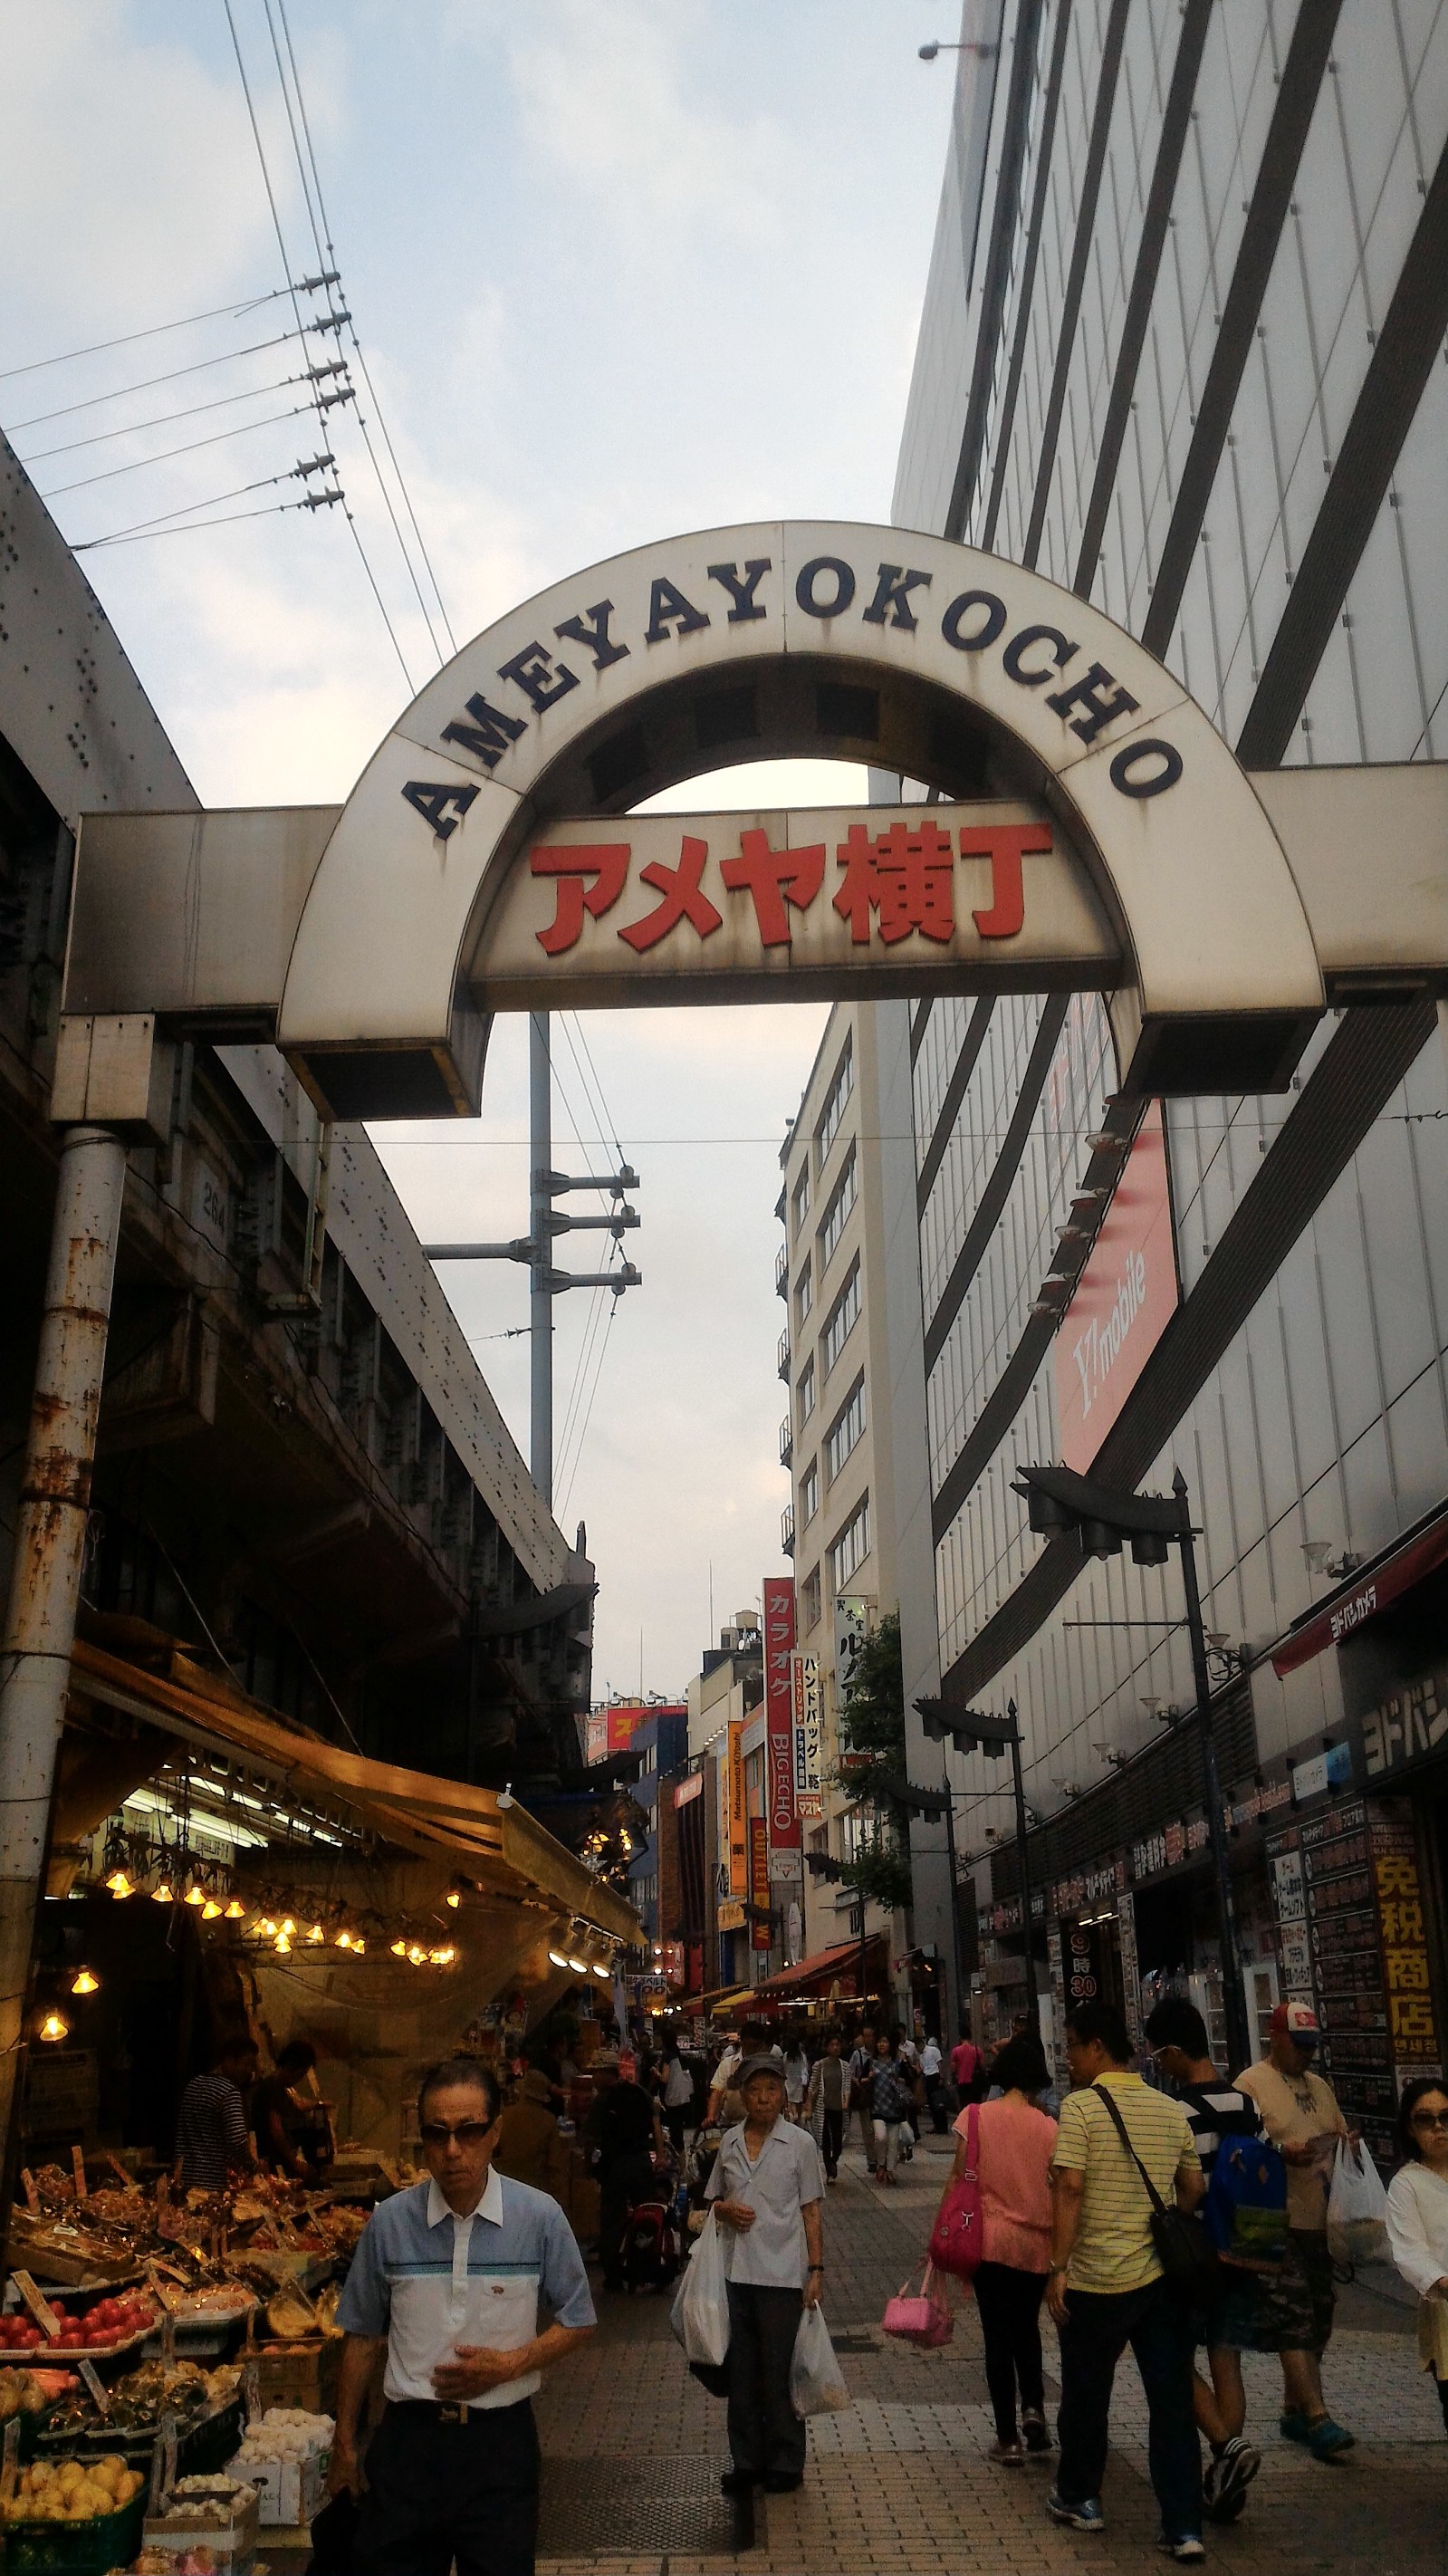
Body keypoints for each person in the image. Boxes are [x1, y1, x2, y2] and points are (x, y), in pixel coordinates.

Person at [330, 2055, 593, 2576]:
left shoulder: (538, 2218)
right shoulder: (389, 2224)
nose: (453, 2150)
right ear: (422, 2137)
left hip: (499, 2449)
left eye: (469, 2132)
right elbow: (360, 2338)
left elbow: (579, 2319)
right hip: (408, 2447)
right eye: (438, 2133)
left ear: (494, 2132)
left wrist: (514, 2363)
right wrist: (343, 2446)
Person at [1046, 2001, 1205, 2561]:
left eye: (1070, 2046)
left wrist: (1058, 2268)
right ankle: (1184, 2525)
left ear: (1094, 2048)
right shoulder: (1168, 2109)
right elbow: (1192, 2190)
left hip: (1095, 2280)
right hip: (1159, 2281)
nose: (1067, 2058)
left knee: (1087, 2395)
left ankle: (1080, 2497)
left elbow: (1069, 2188)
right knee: (1171, 2403)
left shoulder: (1082, 2109)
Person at [1145, 1995, 1267, 2522]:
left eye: (1159, 2057)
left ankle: (1225, 2450)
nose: (1160, 2067)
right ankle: (1226, 2478)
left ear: (1174, 2052)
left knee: (1172, 2355)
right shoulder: (1245, 2104)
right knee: (1226, 2359)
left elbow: (1185, 2188)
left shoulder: (1178, 2112)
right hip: (1245, 2248)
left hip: (1195, 2257)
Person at [1236, 2001, 1353, 2458]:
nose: (1305, 2055)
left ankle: (1294, 2408)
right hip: (1272, 2220)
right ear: (1276, 2039)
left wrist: (1346, 2145)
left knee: (1319, 2317)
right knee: (1293, 2318)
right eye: (1298, 2046)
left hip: (1317, 2221)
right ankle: (1318, 2416)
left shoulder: (1320, 2088)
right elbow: (1240, 2150)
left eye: (1311, 2047)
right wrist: (1282, 2153)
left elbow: (1339, 2132)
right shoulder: (1250, 2084)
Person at [705, 2054, 824, 2497]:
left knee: (779, 2372)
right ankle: (747, 2461)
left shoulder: (800, 2145)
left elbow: (811, 2211)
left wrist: (816, 2270)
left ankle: (786, 2461)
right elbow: (712, 2201)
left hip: (783, 2276)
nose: (762, 2099)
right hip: (737, 2274)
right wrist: (724, 2210)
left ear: (783, 2095)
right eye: (754, 2090)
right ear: (742, 2095)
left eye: (771, 2090)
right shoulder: (730, 2143)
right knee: (742, 2372)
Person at [941, 2032, 1055, 2463]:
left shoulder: (975, 2117)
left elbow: (957, 2178)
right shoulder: (1049, 2126)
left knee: (996, 2339)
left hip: (987, 2242)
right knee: (1027, 2330)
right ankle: (1035, 2410)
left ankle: (1007, 2439)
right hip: (1035, 2247)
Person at [1386, 2076, 1448, 2437]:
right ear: (1410, 2128)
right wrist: (1440, 2281)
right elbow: (1409, 2249)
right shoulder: (1406, 2184)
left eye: (1446, 2116)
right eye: (1426, 2119)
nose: (1438, 2127)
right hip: (1444, 2311)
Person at [588, 2050, 666, 2292]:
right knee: (646, 2216)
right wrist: (661, 2155)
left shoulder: (603, 2099)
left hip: (615, 2166)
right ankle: (645, 2268)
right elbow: (656, 2124)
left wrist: (589, 2163)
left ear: (605, 2073)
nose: (593, 2077)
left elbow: (591, 2136)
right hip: (641, 2162)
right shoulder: (639, 2092)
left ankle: (613, 2276)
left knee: (612, 2220)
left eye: (595, 2073)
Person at [175, 2034, 259, 2192]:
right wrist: (252, 2165)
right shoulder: (229, 2092)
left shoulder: (194, 2084)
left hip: (183, 2180)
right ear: (228, 2060)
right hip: (211, 2183)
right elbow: (237, 2140)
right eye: (246, 2064)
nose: (249, 2071)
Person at [253, 2038, 331, 2181]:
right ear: (290, 2066)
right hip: (273, 2168)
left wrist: (319, 2105)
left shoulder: (283, 2090)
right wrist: (295, 2162)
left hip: (282, 2165)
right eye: (300, 2074)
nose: (299, 2079)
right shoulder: (271, 2088)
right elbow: (276, 2131)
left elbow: (300, 2104)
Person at [493, 2068, 572, 2201]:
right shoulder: (548, 2121)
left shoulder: (505, 2116)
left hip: (504, 2187)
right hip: (536, 2189)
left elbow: (492, 2152)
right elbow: (555, 2166)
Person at [868, 2032, 914, 2186]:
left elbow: (909, 2080)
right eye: (880, 2042)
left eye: (885, 2042)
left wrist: (898, 2079)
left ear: (890, 2045)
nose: (882, 2045)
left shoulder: (898, 2063)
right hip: (877, 2107)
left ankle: (890, 2170)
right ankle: (881, 2163)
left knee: (893, 2142)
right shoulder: (871, 2062)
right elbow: (860, 2080)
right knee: (881, 2137)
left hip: (895, 2109)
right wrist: (868, 2078)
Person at [805, 2031, 850, 2183]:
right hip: (823, 2107)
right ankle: (829, 2170)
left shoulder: (845, 2066)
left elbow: (847, 2086)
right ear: (827, 2048)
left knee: (838, 2139)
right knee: (825, 2138)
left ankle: (833, 2159)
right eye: (832, 2045)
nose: (836, 2048)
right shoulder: (820, 2065)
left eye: (838, 2045)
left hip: (839, 2108)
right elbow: (812, 2086)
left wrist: (846, 2101)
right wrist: (809, 2106)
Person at [657, 2035, 695, 2157]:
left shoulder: (668, 2057)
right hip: (681, 2099)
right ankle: (683, 2166)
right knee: (678, 2134)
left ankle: (679, 2164)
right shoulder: (678, 2056)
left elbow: (664, 2078)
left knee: (673, 2135)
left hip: (671, 2100)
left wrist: (654, 2071)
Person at [849, 2029, 877, 2167]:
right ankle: (872, 2159)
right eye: (865, 2036)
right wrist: (860, 2081)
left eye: (870, 2035)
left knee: (879, 2130)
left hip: (880, 2096)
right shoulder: (857, 2054)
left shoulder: (880, 2054)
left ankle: (881, 2157)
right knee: (868, 2129)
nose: (868, 2039)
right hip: (865, 2096)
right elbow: (851, 2073)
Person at [707, 2032, 743, 2122]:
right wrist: (711, 2117)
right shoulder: (728, 2063)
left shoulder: (768, 2066)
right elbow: (717, 2092)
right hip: (730, 2122)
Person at [950, 2024, 983, 2109]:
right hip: (975, 2082)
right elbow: (982, 2064)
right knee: (975, 2107)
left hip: (962, 2082)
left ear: (960, 2037)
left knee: (964, 2106)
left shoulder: (956, 2051)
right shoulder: (977, 2050)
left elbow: (953, 2068)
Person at [920, 2031, 945, 2134]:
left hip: (935, 2076)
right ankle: (936, 2125)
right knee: (931, 2103)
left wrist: (941, 2077)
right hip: (927, 2077)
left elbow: (939, 2063)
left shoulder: (933, 2050)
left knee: (939, 2102)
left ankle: (942, 2126)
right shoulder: (921, 2056)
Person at [782, 2033, 810, 2122]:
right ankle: (798, 2125)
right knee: (799, 2108)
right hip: (798, 2084)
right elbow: (805, 2069)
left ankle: (789, 2123)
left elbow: (784, 2069)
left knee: (789, 2107)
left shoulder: (786, 2055)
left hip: (788, 2084)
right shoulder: (802, 2056)